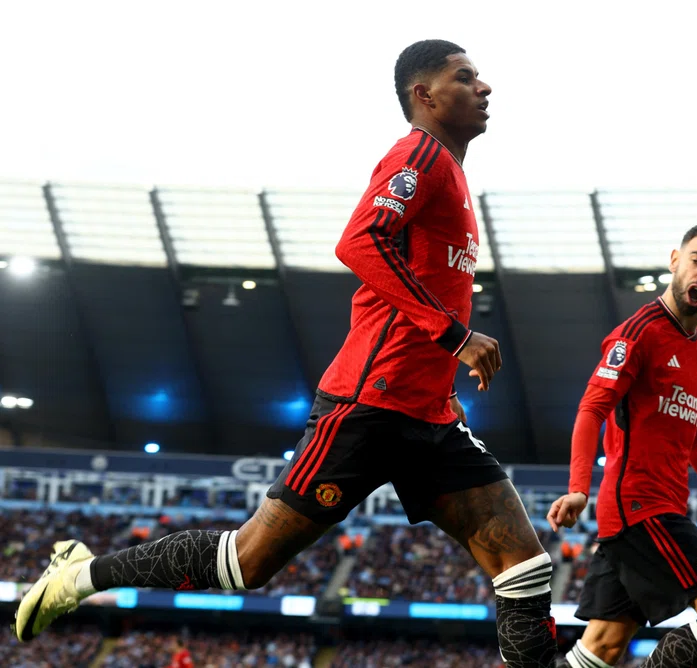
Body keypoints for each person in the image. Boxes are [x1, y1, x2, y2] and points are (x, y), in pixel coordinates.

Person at [16, 39, 557, 667]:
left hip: (431, 416)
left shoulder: (453, 174)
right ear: (425, 96)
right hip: (368, 407)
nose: (484, 87)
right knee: (247, 564)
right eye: (466, 78)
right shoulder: (419, 154)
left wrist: (443, 358)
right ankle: (81, 574)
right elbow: (360, 243)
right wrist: (454, 335)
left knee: (523, 567)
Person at [547, 223, 697, 668]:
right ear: (675, 260)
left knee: (603, 646)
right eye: (696, 260)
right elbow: (590, 410)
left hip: (652, 510)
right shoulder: (637, 333)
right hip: (641, 507)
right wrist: (579, 485)